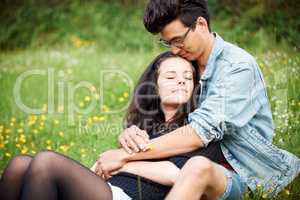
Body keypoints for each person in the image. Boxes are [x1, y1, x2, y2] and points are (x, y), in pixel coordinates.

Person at [115, 0, 299, 199]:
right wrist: (133, 133)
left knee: (196, 168)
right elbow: (161, 115)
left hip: (240, 171)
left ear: (201, 25)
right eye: (168, 43)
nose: (175, 50)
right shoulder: (187, 61)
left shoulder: (237, 67)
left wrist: (125, 156)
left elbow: (199, 133)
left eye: (178, 40)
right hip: (180, 161)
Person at [0, 51, 228, 200]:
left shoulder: (201, 126)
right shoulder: (144, 126)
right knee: (19, 164)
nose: (180, 80)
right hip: (108, 190)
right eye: (170, 76)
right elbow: (106, 166)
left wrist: (121, 164)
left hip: (131, 197)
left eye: (188, 77)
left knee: (47, 161)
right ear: (155, 86)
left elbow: (180, 175)